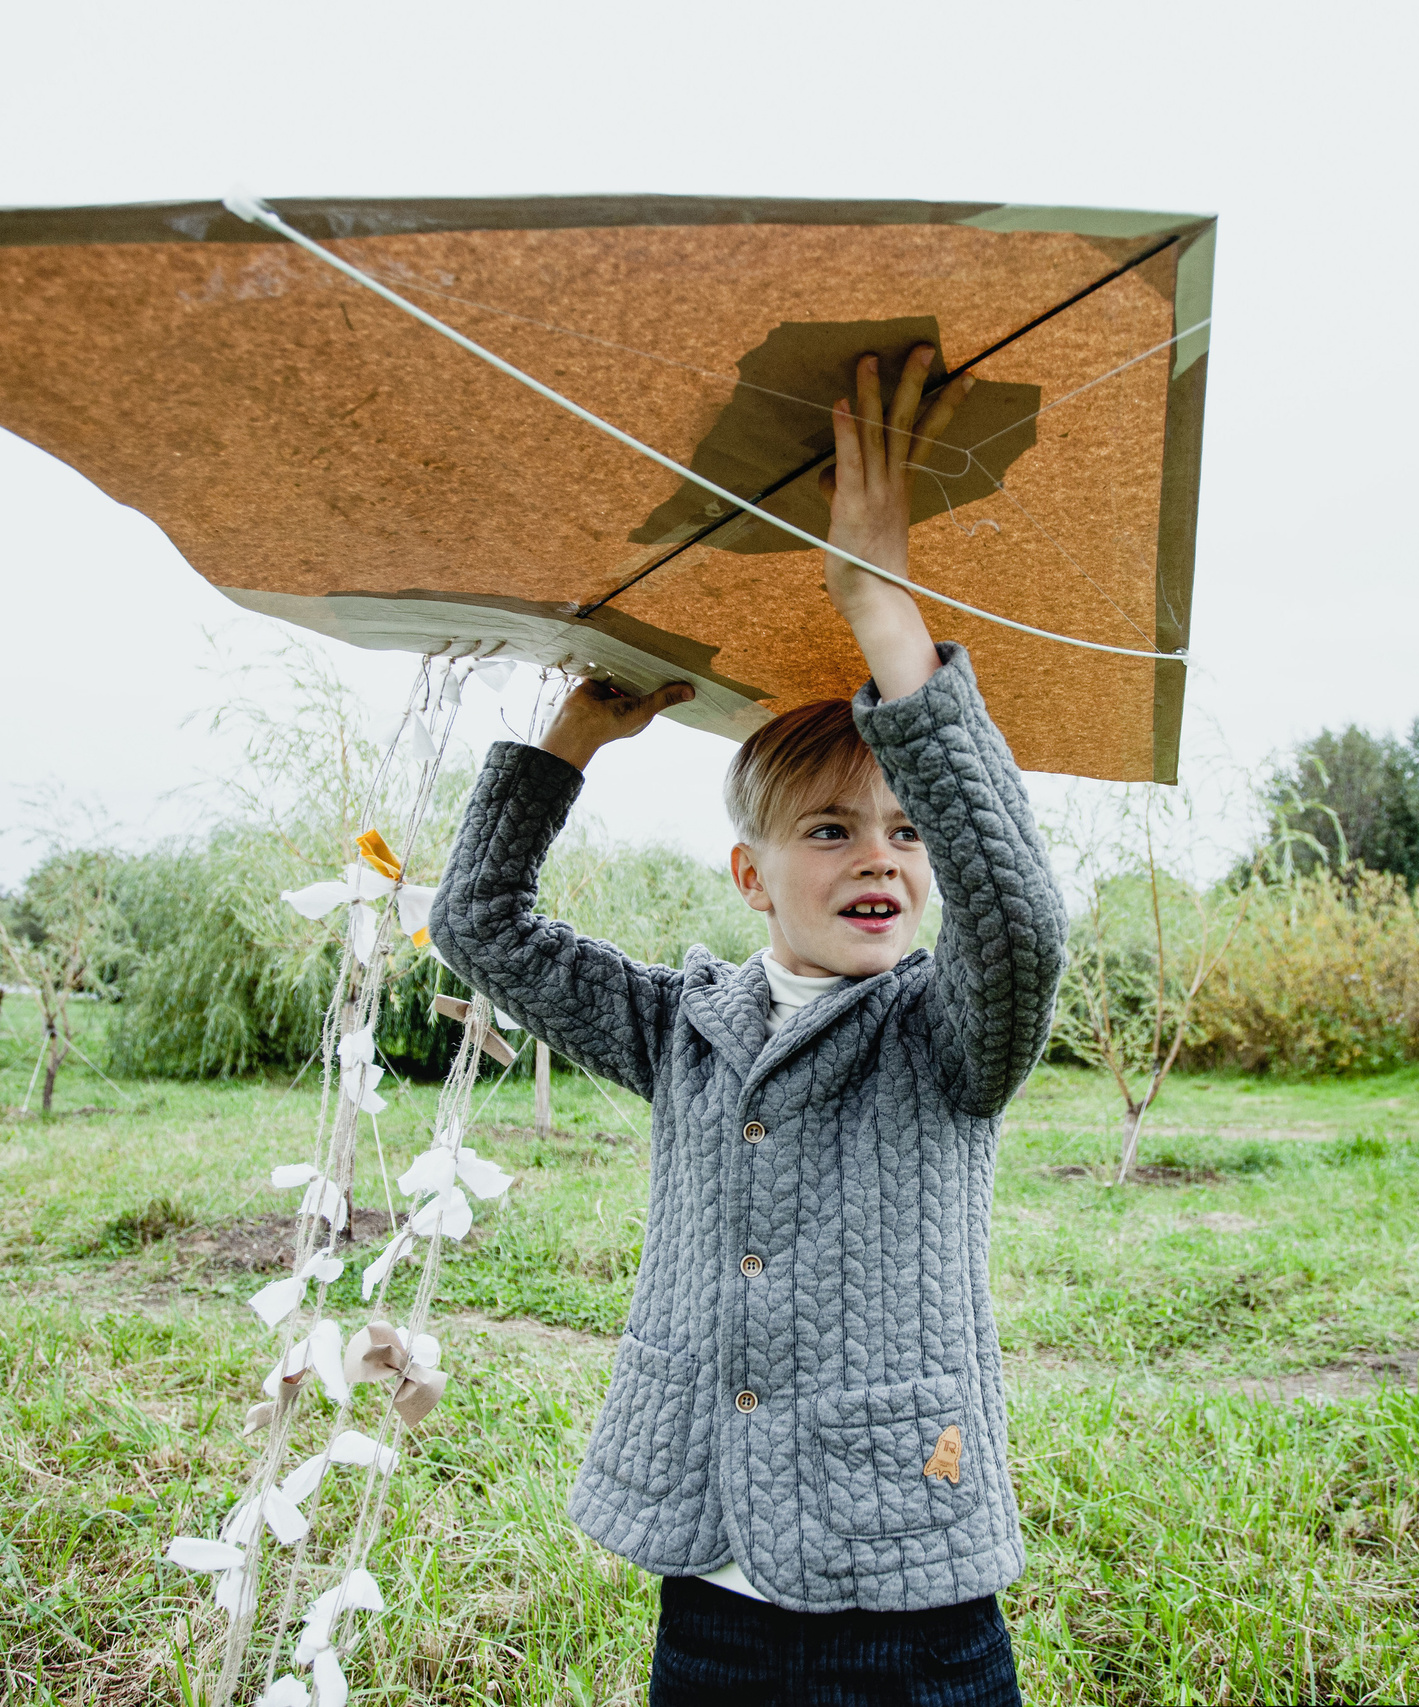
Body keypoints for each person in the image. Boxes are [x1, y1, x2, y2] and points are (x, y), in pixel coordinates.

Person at [429, 344, 1066, 1705]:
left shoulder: (947, 1038)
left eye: (904, 832)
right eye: (831, 831)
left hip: (912, 1595)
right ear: (751, 872)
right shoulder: (682, 1024)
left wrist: (879, 603)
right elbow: (481, 927)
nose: (878, 861)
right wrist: (571, 739)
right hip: (712, 1599)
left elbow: (1023, 919)